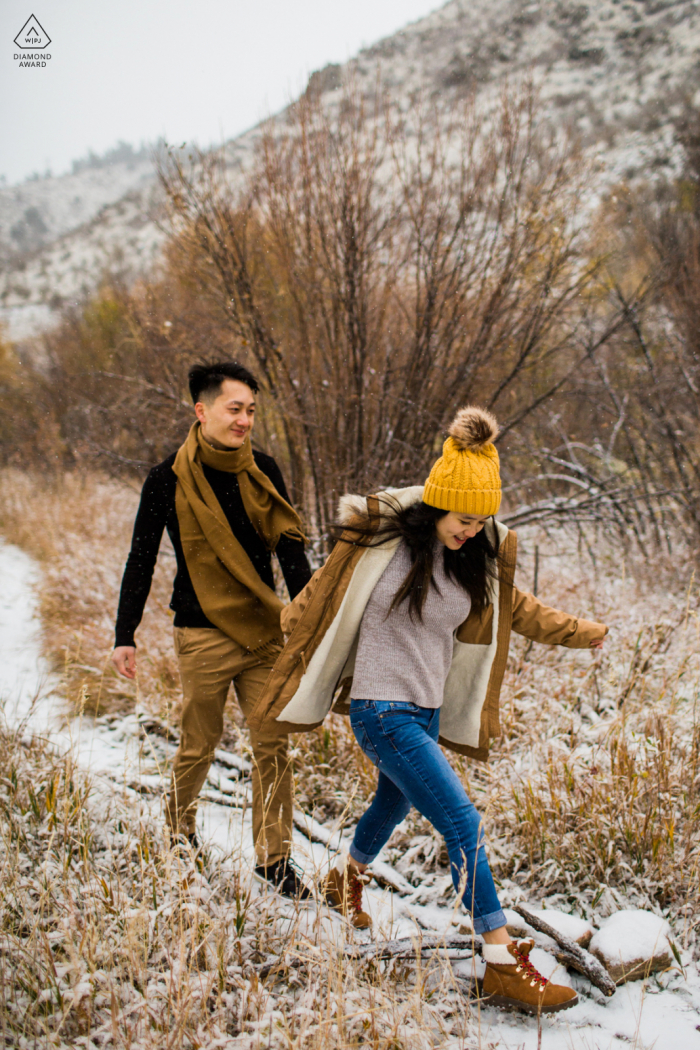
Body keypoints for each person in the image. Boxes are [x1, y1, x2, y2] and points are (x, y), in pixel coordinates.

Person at [248, 406, 608, 1013]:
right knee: (463, 823)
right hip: (381, 710)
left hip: (425, 712)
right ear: (438, 504)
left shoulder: (472, 559)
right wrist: (291, 632)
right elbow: (319, 596)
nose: (471, 530)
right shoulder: (379, 546)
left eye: (481, 521)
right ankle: (497, 960)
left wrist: (581, 632)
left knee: (392, 800)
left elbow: (519, 609)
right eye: (464, 518)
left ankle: (346, 879)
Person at [112, 361, 312, 898]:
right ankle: (178, 839)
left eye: (250, 410)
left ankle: (274, 862)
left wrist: (311, 618)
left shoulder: (263, 467)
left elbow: (290, 547)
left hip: (264, 634)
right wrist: (124, 633)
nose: (244, 420)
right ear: (202, 411)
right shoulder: (167, 478)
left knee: (274, 747)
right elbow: (141, 557)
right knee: (198, 745)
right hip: (201, 634)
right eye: (234, 409)